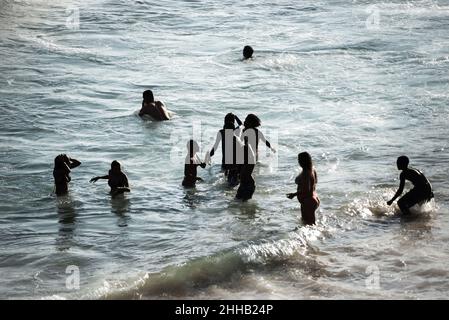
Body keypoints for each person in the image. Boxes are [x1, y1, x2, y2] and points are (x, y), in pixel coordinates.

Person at [206, 113, 243, 186]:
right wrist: (235, 117)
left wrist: (209, 156)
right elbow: (241, 125)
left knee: (225, 178)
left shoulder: (221, 132)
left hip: (225, 161)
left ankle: (224, 194)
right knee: (233, 179)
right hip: (235, 161)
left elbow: (215, 147)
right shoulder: (235, 132)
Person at [287, 152, 320, 225]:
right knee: (307, 224)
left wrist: (294, 194)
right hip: (313, 198)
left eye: (299, 160)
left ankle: (323, 234)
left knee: (310, 225)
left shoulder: (306, 173)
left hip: (308, 201)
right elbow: (315, 182)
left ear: (303, 161)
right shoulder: (312, 169)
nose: (298, 162)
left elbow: (306, 190)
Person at [235, 136, 257, 201]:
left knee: (243, 203)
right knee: (237, 201)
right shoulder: (242, 164)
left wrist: (248, 143)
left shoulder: (250, 163)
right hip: (243, 184)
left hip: (248, 185)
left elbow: (252, 156)